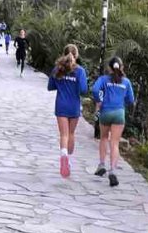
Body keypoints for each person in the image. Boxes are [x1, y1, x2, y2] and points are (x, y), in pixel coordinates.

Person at [92, 56, 135, 187]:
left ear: (109, 68)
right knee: (115, 143)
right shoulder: (126, 82)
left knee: (104, 138)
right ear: (121, 67)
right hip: (119, 113)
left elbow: (95, 90)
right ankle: (113, 171)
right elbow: (131, 100)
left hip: (105, 112)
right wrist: (122, 101)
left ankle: (101, 165)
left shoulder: (103, 79)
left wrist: (99, 100)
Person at [47, 45, 88, 178]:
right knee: (71, 133)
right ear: (76, 55)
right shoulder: (80, 71)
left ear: (63, 54)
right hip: (74, 106)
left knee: (63, 134)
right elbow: (83, 89)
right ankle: (68, 159)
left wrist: (61, 82)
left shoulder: (57, 69)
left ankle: (63, 156)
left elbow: (50, 86)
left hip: (61, 105)